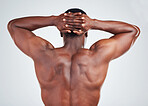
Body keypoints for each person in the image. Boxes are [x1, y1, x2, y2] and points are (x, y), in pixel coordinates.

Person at [7, 8, 140, 106]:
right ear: (86, 33)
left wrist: (53, 20)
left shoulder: (44, 54)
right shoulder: (98, 55)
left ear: (61, 33)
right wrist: (93, 23)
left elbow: (14, 26)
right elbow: (132, 31)